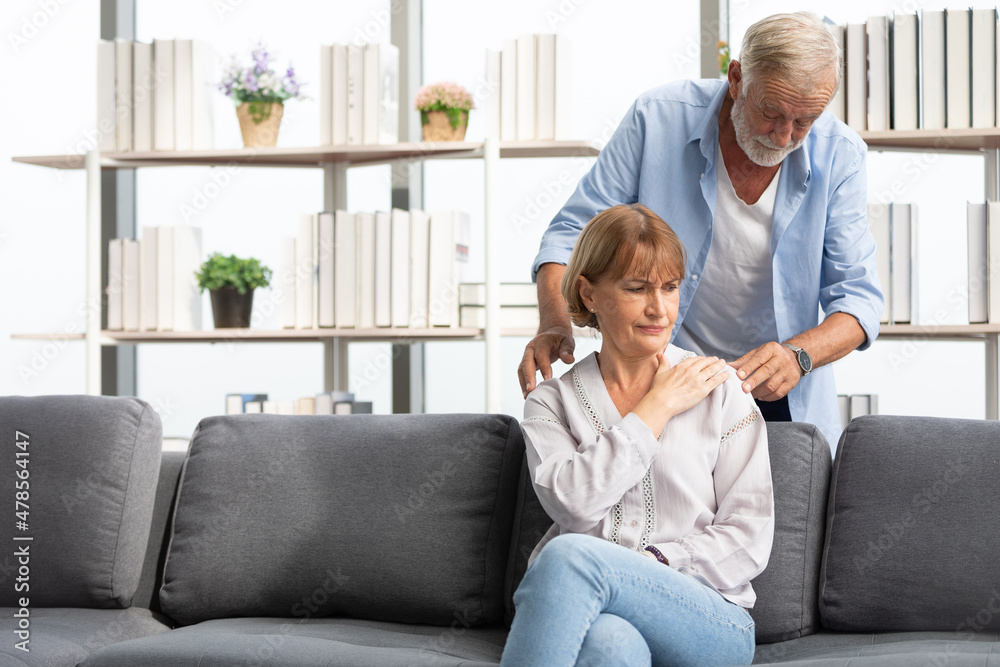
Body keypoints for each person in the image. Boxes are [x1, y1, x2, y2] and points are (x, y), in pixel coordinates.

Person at [517, 12, 883, 448]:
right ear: (736, 78)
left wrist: (798, 356)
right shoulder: (656, 120)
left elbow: (858, 300)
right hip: (661, 377)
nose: (785, 137)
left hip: (775, 391)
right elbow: (569, 234)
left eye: (805, 121)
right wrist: (555, 323)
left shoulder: (841, 155)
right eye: (771, 112)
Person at [501, 204, 774, 667]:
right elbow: (572, 501)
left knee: (568, 557)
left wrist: (655, 562)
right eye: (637, 289)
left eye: (670, 288)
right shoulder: (550, 402)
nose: (659, 309)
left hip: (711, 618)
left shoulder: (721, 390)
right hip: (599, 611)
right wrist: (656, 408)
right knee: (608, 647)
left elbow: (749, 536)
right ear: (589, 294)